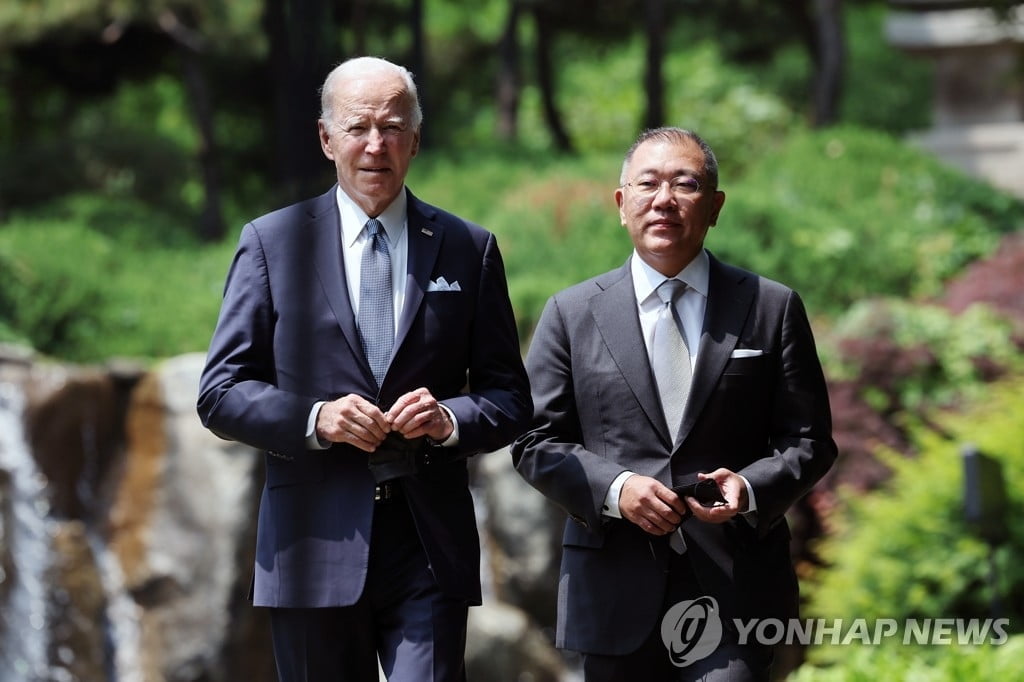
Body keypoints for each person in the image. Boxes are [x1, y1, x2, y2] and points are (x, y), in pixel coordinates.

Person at [197, 56, 531, 682]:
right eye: (357, 128)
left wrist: (448, 419)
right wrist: (316, 418)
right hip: (309, 545)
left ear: (416, 140)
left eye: (393, 127)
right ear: (327, 139)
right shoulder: (272, 242)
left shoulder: (469, 247)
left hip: (429, 544)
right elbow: (220, 392)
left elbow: (509, 397)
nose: (376, 145)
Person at [510, 127, 837, 681]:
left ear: (714, 207)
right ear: (621, 203)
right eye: (648, 184)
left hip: (735, 588)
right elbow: (534, 440)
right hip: (613, 584)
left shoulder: (770, 307)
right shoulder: (570, 314)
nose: (664, 200)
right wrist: (617, 490)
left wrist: (751, 487)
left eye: (685, 185)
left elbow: (809, 440)